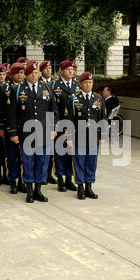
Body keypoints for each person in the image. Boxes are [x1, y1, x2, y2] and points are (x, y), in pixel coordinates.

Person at [7, 60, 59, 203]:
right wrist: (13, 133)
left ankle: (38, 191)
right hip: (26, 134)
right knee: (28, 162)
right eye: (31, 73)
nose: (35, 75)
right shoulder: (17, 90)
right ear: (26, 75)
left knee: (42, 163)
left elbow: (53, 111)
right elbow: (12, 114)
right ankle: (29, 191)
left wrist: (53, 129)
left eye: (36, 72)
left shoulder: (47, 89)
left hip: (43, 133)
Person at [66, 72, 108, 200]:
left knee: (91, 163)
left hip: (93, 137)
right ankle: (80, 188)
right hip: (79, 137)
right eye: (85, 82)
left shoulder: (99, 99)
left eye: (90, 82)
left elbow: (103, 118)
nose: (88, 85)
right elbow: (68, 119)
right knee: (79, 162)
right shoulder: (74, 98)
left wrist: (103, 136)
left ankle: (89, 187)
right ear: (80, 84)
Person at [0, 62, 27, 194]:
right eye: (18, 73)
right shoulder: (4, 89)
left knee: (22, 157)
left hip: (24, 128)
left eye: (22, 73)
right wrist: (0, 128)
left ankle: (22, 181)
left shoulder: (26, 88)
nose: (21, 75)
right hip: (9, 128)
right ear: (12, 74)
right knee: (11, 156)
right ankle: (12, 181)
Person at [51, 60, 79, 192]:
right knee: (60, 152)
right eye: (68, 69)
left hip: (74, 125)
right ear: (61, 71)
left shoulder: (77, 85)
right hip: (60, 124)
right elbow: (52, 108)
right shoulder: (54, 85)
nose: (71, 71)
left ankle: (69, 178)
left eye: (72, 69)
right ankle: (60, 178)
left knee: (71, 152)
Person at [40, 60, 58, 184]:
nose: (48, 70)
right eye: (46, 68)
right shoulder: (38, 83)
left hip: (50, 121)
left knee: (51, 151)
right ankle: (41, 174)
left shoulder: (55, 83)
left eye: (50, 68)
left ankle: (49, 173)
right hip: (39, 122)